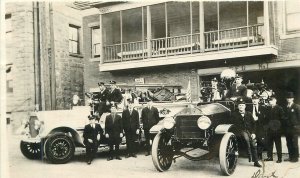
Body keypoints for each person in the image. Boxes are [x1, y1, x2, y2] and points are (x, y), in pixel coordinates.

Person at [231, 98, 262, 167]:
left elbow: (254, 124)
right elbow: (232, 125)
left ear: (245, 106)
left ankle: (255, 161)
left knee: (253, 143)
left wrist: (253, 133)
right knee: (246, 138)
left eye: (242, 105)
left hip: (249, 132)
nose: (241, 107)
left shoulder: (249, 114)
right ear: (238, 107)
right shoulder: (234, 115)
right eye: (240, 105)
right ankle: (249, 155)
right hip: (239, 133)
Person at [247, 93, 267, 159]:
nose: (254, 101)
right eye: (253, 99)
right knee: (252, 140)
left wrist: (258, 118)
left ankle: (259, 154)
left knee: (260, 141)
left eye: (256, 99)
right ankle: (253, 155)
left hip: (260, 126)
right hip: (252, 126)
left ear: (258, 100)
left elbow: (265, 118)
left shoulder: (262, 107)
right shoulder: (248, 108)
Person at [264, 96, 284, 163]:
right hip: (269, 129)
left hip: (277, 130)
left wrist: (280, 128)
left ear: (275, 100)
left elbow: (282, 119)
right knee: (269, 144)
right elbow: (266, 119)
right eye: (270, 100)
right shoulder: (268, 108)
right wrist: (266, 127)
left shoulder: (279, 108)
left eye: (272, 100)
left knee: (278, 144)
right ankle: (270, 157)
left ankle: (279, 158)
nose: (270, 102)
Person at [283, 92, 300, 162]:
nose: (289, 99)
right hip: (288, 128)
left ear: (293, 99)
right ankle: (290, 156)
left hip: (294, 128)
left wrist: (298, 126)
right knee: (288, 143)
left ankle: (295, 157)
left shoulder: (297, 107)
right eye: (287, 98)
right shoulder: (286, 107)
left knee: (294, 143)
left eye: (290, 98)